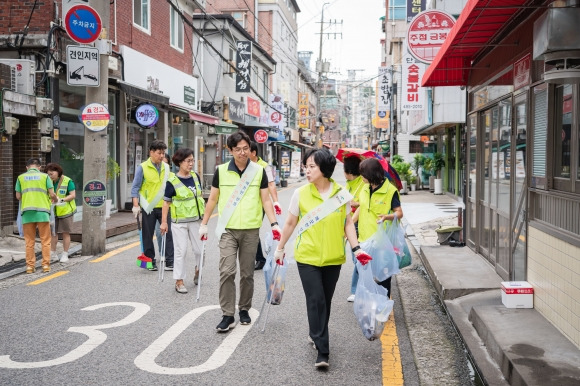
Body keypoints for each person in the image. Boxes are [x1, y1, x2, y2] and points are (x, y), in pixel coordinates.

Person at [273, 148, 371, 369]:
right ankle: (323, 350)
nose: (306, 171)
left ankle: (315, 332)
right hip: (307, 257)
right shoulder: (300, 194)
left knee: (324, 301)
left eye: (311, 166)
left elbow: (348, 223)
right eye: (306, 166)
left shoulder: (341, 194)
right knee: (315, 299)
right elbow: (289, 224)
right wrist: (280, 249)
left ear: (324, 169)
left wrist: (356, 249)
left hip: (333, 257)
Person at [198, 130, 280, 333]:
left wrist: (274, 223)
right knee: (226, 271)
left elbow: (265, 200)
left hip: (251, 229)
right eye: (238, 149)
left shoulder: (259, 171)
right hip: (228, 229)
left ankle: (244, 309)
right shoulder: (221, 171)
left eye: (245, 148)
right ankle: (227, 314)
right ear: (230, 150)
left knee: (246, 274)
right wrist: (204, 223)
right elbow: (214, 199)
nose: (242, 153)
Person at [353, 158, 403, 298]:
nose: (361, 176)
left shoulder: (390, 191)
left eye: (363, 173)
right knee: (362, 272)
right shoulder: (364, 188)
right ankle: (370, 302)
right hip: (364, 239)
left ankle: (383, 304)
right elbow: (363, 207)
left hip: (382, 240)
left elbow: (399, 213)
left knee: (382, 274)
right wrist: (349, 224)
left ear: (371, 174)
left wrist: (386, 217)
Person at [160, 148, 205, 294]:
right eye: (188, 161)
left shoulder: (196, 176)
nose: (191, 163)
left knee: (200, 250)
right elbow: (166, 203)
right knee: (181, 251)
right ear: (180, 162)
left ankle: (198, 270)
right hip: (179, 222)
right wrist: (164, 222)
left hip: (196, 221)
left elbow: (200, 197)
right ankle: (179, 281)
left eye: (192, 160)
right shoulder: (172, 182)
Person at [131, 140, 174, 271]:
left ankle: (169, 261)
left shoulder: (166, 167)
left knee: (167, 233)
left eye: (163, 153)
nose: (161, 156)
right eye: (159, 153)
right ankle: (150, 261)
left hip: (165, 205)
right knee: (147, 234)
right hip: (148, 206)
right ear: (151, 152)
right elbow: (135, 187)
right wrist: (135, 205)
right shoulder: (142, 167)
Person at [15, 158, 58, 273]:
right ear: (39, 167)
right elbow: (52, 194)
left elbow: (18, 196)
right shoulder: (45, 177)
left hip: (27, 213)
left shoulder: (20, 178)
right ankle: (45, 265)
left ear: (27, 167)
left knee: (29, 241)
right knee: (45, 240)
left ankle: (30, 267)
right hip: (43, 213)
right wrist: (55, 199)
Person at [249, 141, 282, 270]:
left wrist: (276, 202)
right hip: (247, 203)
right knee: (249, 229)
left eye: (246, 151)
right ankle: (257, 258)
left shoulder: (263, 166)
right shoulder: (244, 165)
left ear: (253, 153)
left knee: (253, 228)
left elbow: (271, 184)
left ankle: (259, 258)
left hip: (260, 203)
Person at [343, 156, 366, 302]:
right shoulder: (349, 183)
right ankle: (363, 285)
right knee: (356, 258)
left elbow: (362, 206)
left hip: (356, 224)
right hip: (349, 222)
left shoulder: (363, 183)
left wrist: (349, 227)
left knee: (358, 257)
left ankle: (356, 290)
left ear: (348, 170)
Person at [45, 163, 76, 263]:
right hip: (52, 211)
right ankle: (53, 253)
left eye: (51, 173)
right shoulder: (47, 181)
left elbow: (72, 195)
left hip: (66, 211)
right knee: (53, 233)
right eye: (48, 174)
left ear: (58, 172)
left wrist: (61, 200)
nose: (50, 176)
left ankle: (65, 254)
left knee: (65, 233)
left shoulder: (67, 181)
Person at [155, 153, 172, 253]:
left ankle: (170, 254)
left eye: (166, 164)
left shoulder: (172, 176)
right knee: (159, 232)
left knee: (170, 233)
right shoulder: (153, 174)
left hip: (170, 208)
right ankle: (163, 254)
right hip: (156, 207)